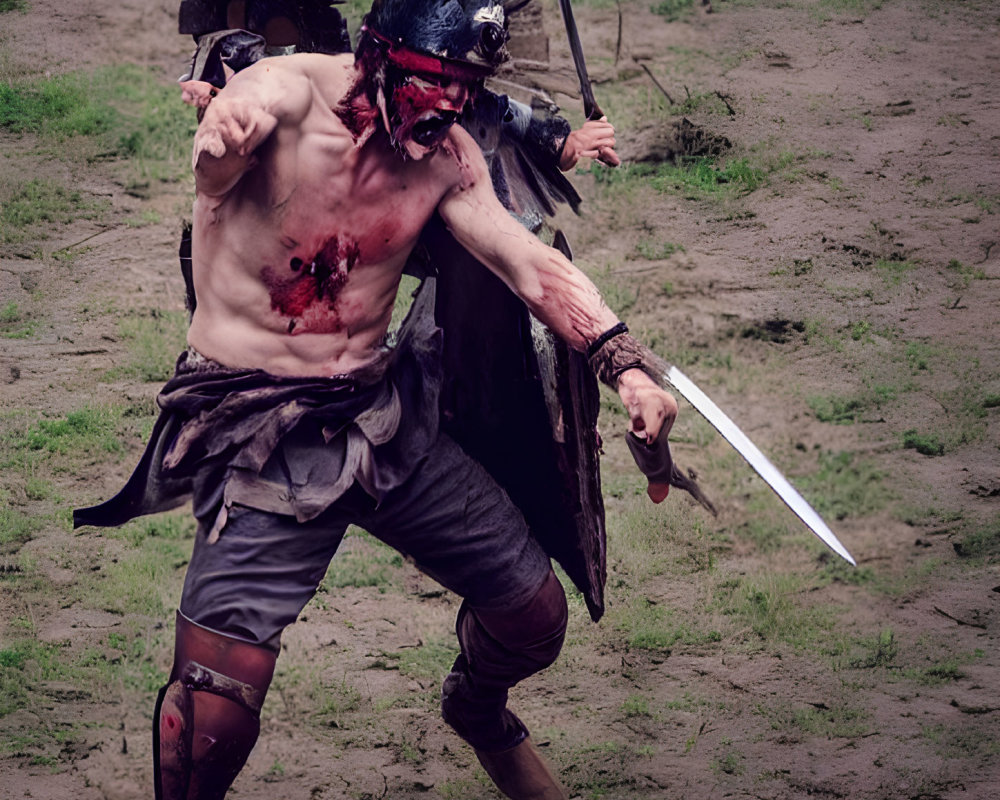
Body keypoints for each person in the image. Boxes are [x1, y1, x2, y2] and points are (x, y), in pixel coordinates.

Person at [75, 2, 677, 798]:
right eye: (433, 83)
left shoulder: (446, 155)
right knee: (211, 714)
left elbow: (525, 264)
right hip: (260, 429)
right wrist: (222, 138)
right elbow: (232, 136)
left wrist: (623, 361)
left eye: (464, 88)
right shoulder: (285, 96)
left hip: (380, 419)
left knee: (532, 617)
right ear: (379, 59)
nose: (448, 107)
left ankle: (477, 710)